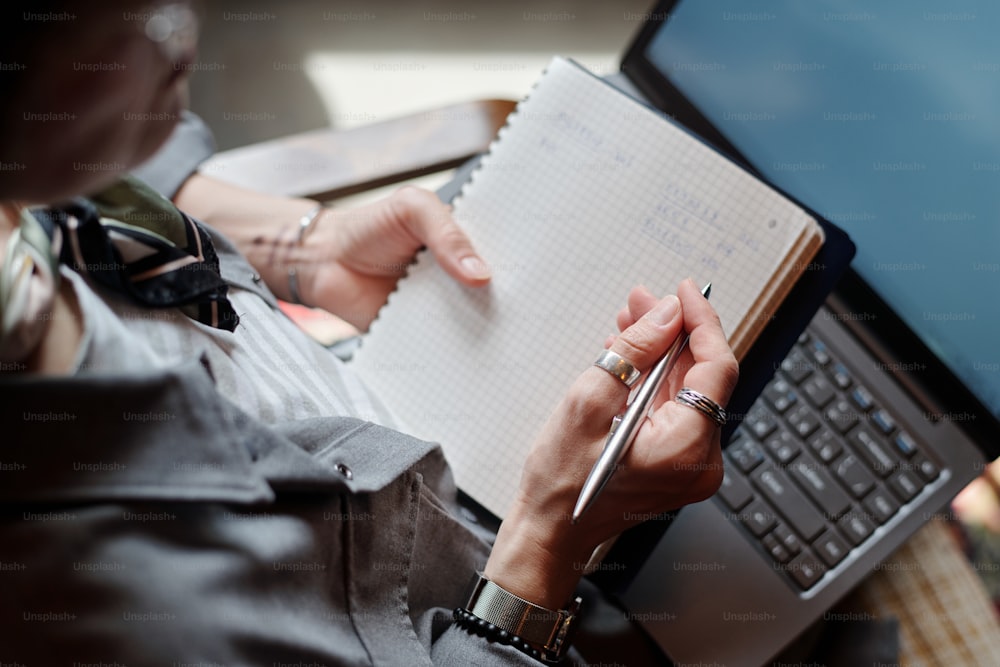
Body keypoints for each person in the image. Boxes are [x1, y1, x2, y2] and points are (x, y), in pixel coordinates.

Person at [0, 2, 738, 664]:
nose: (186, 43)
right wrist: (552, 536)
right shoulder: (135, 609)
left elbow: (100, 163)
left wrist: (303, 251)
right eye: (149, 21)